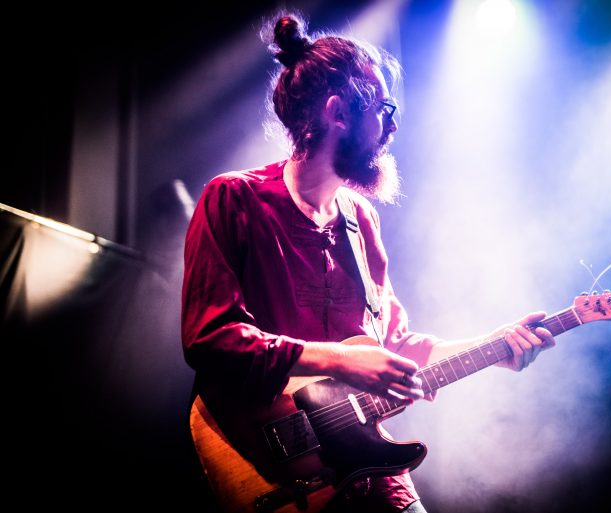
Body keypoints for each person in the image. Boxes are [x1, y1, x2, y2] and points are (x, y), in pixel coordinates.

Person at [181, 12, 555, 513]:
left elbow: (394, 348)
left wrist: (494, 346)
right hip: (266, 459)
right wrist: (341, 359)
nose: (394, 124)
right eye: (383, 107)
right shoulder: (234, 199)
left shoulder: (360, 221)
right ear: (338, 113)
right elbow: (212, 340)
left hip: (365, 458)